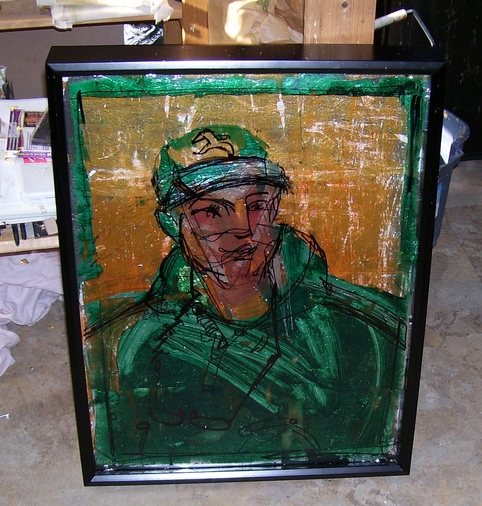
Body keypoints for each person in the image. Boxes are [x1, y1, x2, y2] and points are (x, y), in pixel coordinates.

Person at [87, 125, 407, 468]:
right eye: (210, 211)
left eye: (255, 205)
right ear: (173, 223)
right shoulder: (136, 340)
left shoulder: (365, 325)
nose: (242, 229)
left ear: (275, 208)